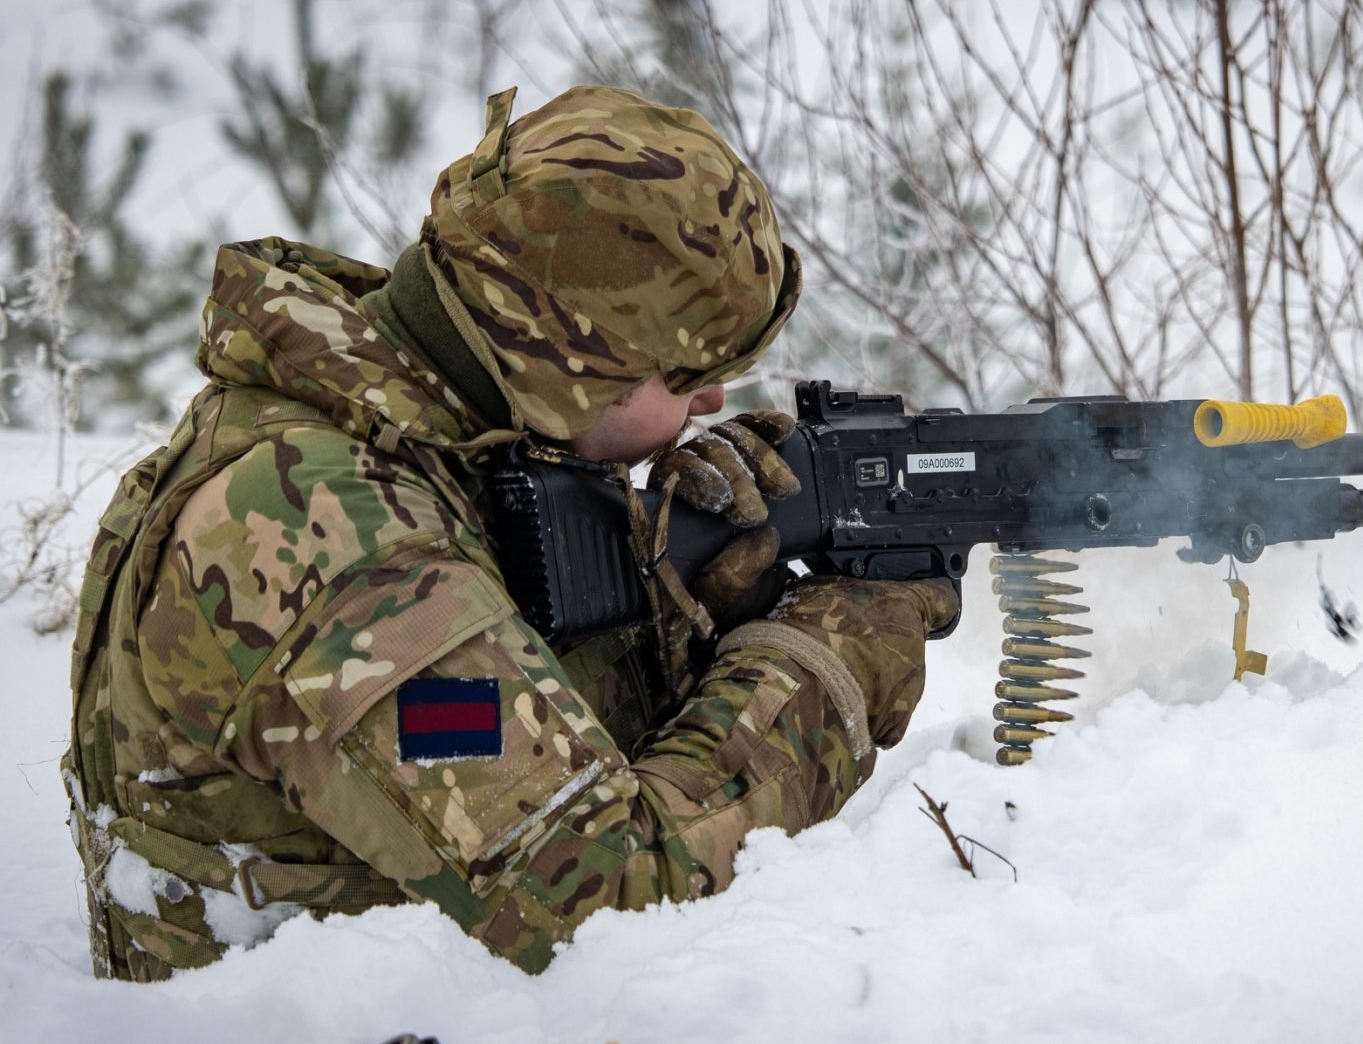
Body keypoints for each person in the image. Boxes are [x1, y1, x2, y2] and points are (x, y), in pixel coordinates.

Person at [62, 85, 958, 981]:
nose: (713, 402)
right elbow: (601, 900)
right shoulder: (320, 533)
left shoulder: (443, 437)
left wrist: (675, 611)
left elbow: (513, 748)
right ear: (556, 356)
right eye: (683, 374)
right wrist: (819, 665)